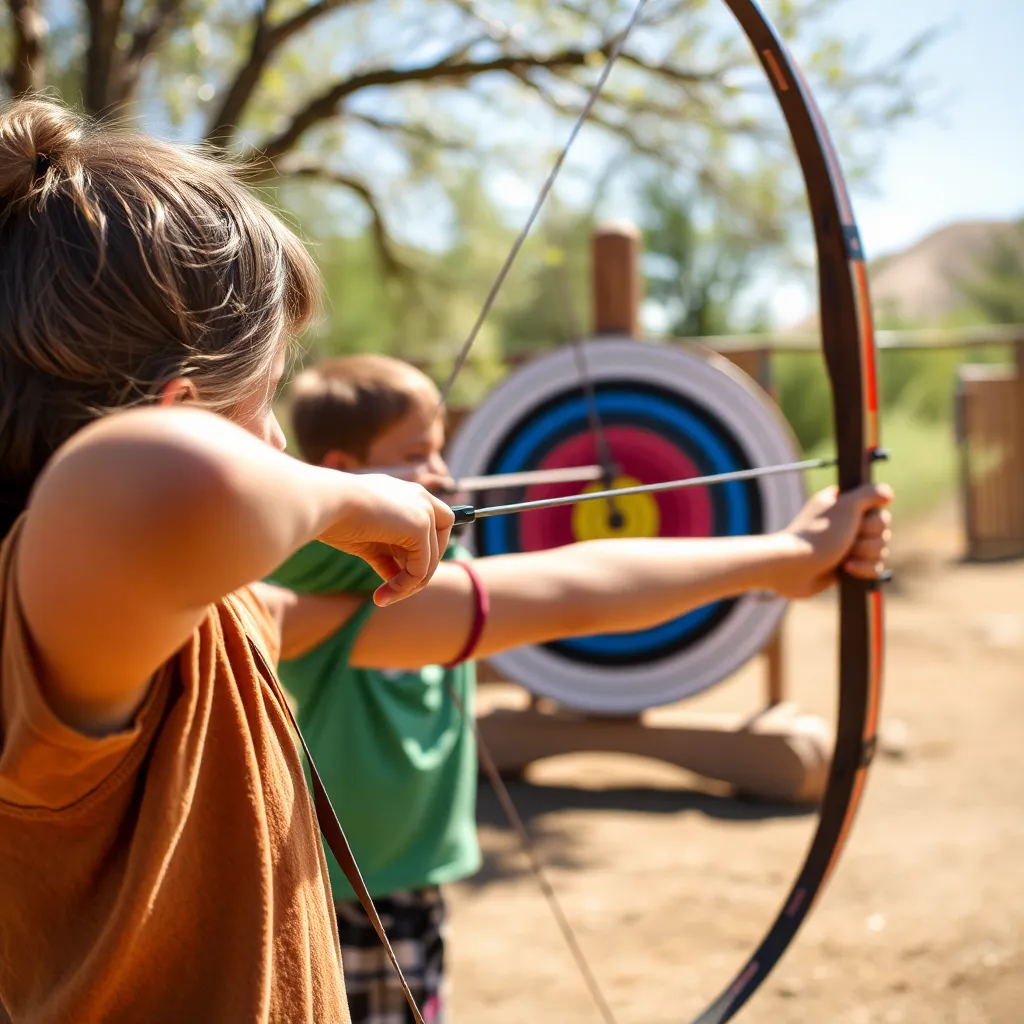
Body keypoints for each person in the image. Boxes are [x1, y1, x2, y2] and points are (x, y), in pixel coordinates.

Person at [262, 353, 893, 1024]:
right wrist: (784, 559)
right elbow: (571, 594)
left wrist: (791, 557)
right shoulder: (308, 564)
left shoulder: (412, 570)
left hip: (413, 866)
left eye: (440, 451)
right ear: (339, 474)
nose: (443, 473)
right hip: (341, 878)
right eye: (418, 454)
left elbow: (559, 586)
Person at [0, 99, 455, 1023]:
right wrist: (361, 499)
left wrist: (778, 560)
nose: (279, 439)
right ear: (177, 410)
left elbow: (524, 599)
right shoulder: (56, 634)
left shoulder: (214, 617)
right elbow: (151, 479)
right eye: (269, 396)